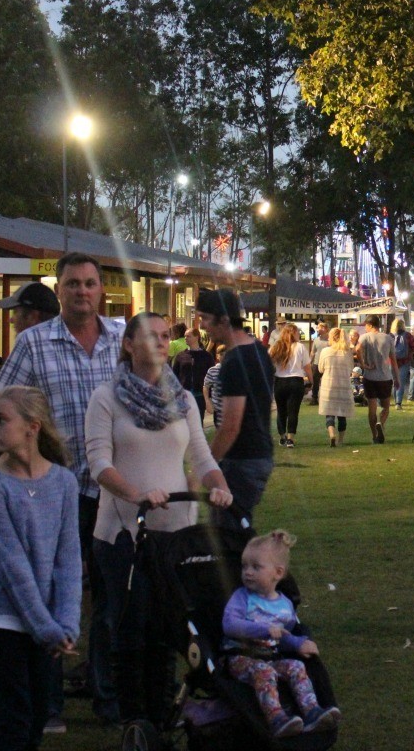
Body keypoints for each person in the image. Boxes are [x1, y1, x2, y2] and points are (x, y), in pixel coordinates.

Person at [0, 251, 121, 728]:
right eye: (72, 284)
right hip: (54, 491)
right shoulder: (33, 343)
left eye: (89, 284)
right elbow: (2, 405)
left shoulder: (121, 339)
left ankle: (106, 694)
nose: (82, 291)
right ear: (59, 290)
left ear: (100, 289)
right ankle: (48, 704)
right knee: (50, 593)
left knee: (109, 598)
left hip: (112, 490)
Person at [85, 313, 232, 726]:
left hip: (174, 533)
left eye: (166, 335)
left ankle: (162, 713)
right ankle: (133, 717)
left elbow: (201, 457)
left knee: (168, 628)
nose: (162, 342)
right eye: (151, 336)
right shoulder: (106, 397)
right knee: (131, 627)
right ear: (129, 344)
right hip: (123, 533)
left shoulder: (182, 399)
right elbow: (98, 463)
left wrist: (218, 486)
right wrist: (136, 495)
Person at [0, 386, 81, 750]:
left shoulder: (64, 482)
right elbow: (12, 566)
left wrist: (66, 623)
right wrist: (47, 628)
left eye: (2, 419)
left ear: (32, 427)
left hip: (45, 624)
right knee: (15, 722)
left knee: (37, 719)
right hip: (2, 621)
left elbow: (68, 559)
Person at [222, 531, 341, 737]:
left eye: (256, 567)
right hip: (240, 658)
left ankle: (312, 711)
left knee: (296, 666)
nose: (247, 572)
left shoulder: (285, 605)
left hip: (271, 657)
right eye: (244, 566)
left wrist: (298, 644)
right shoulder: (242, 598)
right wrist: (265, 629)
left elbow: (284, 635)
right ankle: (276, 718)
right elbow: (230, 625)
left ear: (277, 573)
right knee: (264, 672)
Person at [197, 288, 274, 529]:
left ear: (224, 319)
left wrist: (205, 464)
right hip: (259, 454)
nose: (203, 327)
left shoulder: (234, 361)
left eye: (205, 319)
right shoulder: (259, 351)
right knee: (238, 528)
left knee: (226, 536)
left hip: (242, 459)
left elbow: (230, 426)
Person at [356, 315, 398, 444]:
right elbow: (393, 360)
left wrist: (363, 365)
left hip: (370, 377)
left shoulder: (365, 337)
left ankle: (374, 435)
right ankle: (381, 422)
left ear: (369, 325)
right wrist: (397, 378)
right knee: (386, 407)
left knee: (372, 408)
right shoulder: (388, 338)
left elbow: (357, 349)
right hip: (385, 377)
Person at [269, 324, 311, 449]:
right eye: (297, 332)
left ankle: (282, 436)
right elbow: (307, 367)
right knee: (293, 411)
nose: (299, 334)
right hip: (295, 381)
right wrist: (311, 381)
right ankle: (290, 438)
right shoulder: (300, 347)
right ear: (293, 333)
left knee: (281, 411)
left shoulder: (276, 347)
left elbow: (267, 362)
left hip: (279, 381)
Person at [317, 328, 355, 447]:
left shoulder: (325, 351)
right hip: (343, 385)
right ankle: (341, 440)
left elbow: (320, 369)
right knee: (342, 414)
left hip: (329, 385)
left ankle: (332, 434)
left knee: (329, 413)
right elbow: (351, 368)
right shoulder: (347, 352)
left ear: (333, 338)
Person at [171, 328, 215, 425]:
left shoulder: (206, 356)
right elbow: (175, 376)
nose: (186, 338)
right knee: (184, 422)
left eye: (188, 336)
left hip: (199, 395)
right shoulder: (181, 356)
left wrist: (210, 396)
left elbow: (211, 377)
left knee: (198, 422)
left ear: (197, 337)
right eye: (185, 336)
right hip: (184, 395)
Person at [390, 318, 414, 409]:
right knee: (401, 382)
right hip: (404, 361)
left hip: (392, 361)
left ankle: (394, 400)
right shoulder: (408, 335)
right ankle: (398, 403)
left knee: (394, 382)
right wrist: (410, 355)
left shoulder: (390, 335)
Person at [203, 345, 226, 429]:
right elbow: (206, 386)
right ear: (217, 356)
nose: (224, 356)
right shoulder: (212, 370)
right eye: (222, 354)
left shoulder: (235, 368)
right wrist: (207, 401)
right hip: (218, 410)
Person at [309, 324, 329, 406]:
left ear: (324, 328)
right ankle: (314, 398)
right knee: (315, 382)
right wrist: (310, 362)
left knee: (327, 382)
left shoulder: (330, 340)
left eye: (319, 328)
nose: (317, 330)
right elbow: (313, 352)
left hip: (327, 364)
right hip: (316, 364)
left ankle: (327, 398)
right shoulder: (316, 340)